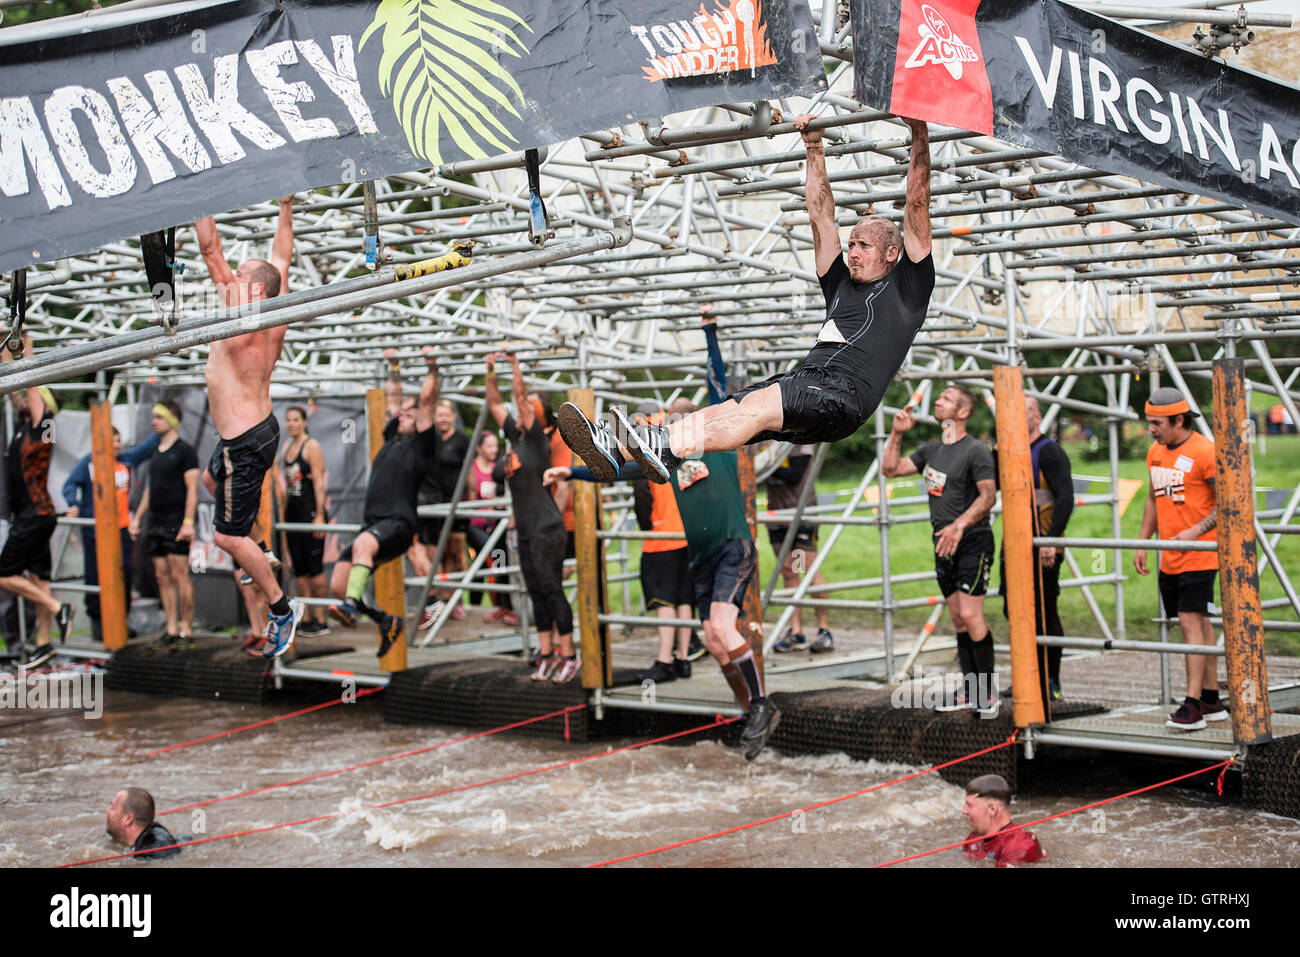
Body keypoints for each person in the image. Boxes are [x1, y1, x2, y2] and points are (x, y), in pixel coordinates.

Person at [556, 112, 933, 484]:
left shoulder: (908, 289)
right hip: (808, 381)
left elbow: (917, 206)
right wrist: (813, 146)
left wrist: (919, 133)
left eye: (863, 245)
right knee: (731, 408)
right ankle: (617, 447)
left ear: (890, 254)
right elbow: (820, 216)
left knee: (755, 407)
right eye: (851, 244)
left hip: (843, 395)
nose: (851, 252)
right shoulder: (840, 284)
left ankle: (666, 446)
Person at [546, 318, 779, 760]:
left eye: (681, 417)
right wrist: (571, 470)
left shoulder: (716, 443)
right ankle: (752, 712)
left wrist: (710, 333)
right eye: (671, 420)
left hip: (733, 545)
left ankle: (761, 706)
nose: (673, 422)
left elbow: (717, 384)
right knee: (712, 640)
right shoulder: (666, 462)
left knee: (721, 628)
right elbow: (617, 471)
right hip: (702, 555)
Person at [194, 196, 304, 658]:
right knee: (207, 480)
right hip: (251, 433)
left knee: (225, 536)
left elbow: (210, 250)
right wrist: (285, 206)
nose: (231, 278)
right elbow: (282, 258)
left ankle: (281, 609)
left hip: (242, 439)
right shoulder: (272, 310)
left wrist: (196, 193)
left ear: (253, 290)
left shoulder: (241, 307)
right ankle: (259, 548)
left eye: (241, 275)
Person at [882, 385, 998, 714]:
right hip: (942, 543)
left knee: (972, 615)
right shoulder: (931, 450)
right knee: (958, 619)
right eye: (940, 397)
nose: (937, 401)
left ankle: (987, 695)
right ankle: (969, 689)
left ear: (962, 413)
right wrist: (897, 433)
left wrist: (959, 525)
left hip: (972, 540)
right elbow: (890, 469)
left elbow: (988, 497)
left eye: (946, 398)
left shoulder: (975, 450)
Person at [327, 349, 441, 657]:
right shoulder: (393, 438)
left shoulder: (422, 445)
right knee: (339, 583)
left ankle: (351, 607)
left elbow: (428, 402)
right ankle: (385, 619)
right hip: (375, 524)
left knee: (362, 549)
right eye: (401, 412)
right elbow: (393, 401)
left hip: (398, 524)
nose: (401, 414)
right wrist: (394, 366)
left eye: (408, 412)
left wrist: (432, 367)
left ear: (420, 419)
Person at [1134, 387, 1224, 731]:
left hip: (1201, 553)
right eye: (1149, 423)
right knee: (1197, 624)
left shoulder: (1205, 451)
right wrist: (1142, 543)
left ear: (1180, 420)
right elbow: (1154, 499)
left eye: (1157, 424)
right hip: (1169, 554)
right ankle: (1212, 699)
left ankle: (1191, 706)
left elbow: (1226, 502)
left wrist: (1197, 531)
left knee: (1190, 622)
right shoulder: (1155, 453)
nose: (1151, 430)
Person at [485, 352, 579, 683]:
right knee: (535, 591)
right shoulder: (513, 437)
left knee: (552, 588)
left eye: (529, 408)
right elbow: (495, 402)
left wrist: (514, 366)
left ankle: (569, 654)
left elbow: (519, 398)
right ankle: (547, 653)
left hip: (547, 527)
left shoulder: (538, 440)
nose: (522, 410)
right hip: (525, 530)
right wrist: (490, 369)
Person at [0, 337, 74, 667]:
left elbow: (29, 383)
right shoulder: (24, 426)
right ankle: (44, 644)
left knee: (2, 575)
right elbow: (16, 386)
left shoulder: (42, 425)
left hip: (34, 513)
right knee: (38, 580)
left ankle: (60, 610)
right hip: (41, 514)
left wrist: (26, 348)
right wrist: (5, 346)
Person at [995, 396, 1074, 703]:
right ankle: (1027, 676)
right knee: (1014, 610)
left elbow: (1065, 498)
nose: (1016, 415)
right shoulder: (1010, 451)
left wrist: (1051, 541)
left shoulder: (1049, 451)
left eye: (1023, 410)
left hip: (1042, 543)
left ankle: (1050, 680)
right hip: (1012, 543)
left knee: (1045, 611)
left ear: (1036, 415)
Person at [62, 424, 160, 641]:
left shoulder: (124, 460)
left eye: (118, 440)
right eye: (112, 441)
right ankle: (98, 624)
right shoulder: (88, 463)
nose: (116, 445)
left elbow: (146, 449)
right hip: (95, 533)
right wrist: (74, 503)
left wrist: (162, 422)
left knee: (124, 574)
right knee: (95, 576)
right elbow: (69, 485)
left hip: (122, 529)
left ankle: (120, 621)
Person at [628, 400, 697, 683]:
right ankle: (683, 658)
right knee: (683, 599)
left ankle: (664, 660)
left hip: (659, 537)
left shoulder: (647, 447)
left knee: (663, 600)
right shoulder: (684, 445)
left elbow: (643, 498)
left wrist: (647, 526)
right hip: (684, 534)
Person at [129, 401, 199, 648]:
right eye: (153, 417)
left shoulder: (185, 451)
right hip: (156, 522)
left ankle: (186, 629)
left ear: (172, 419)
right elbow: (151, 489)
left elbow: (192, 489)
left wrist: (188, 523)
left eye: (158, 417)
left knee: (180, 575)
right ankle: (170, 627)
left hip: (176, 522)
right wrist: (137, 518)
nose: (154, 421)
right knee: (162, 577)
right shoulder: (155, 451)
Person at [767, 443, 835, 654]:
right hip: (777, 516)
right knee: (789, 571)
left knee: (808, 569)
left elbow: (794, 474)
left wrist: (763, 466)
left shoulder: (800, 438)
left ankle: (824, 630)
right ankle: (796, 631)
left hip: (803, 514)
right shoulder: (763, 439)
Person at [416, 398, 471, 628]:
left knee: (457, 552)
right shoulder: (433, 440)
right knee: (441, 553)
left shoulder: (462, 440)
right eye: (439, 415)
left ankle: (457, 598)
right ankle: (443, 599)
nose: (443, 420)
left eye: (447, 415)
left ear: (453, 417)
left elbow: (470, 471)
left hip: (457, 503)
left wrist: (472, 499)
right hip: (437, 502)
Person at [279, 405, 330, 636]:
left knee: (315, 568)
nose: (292, 424)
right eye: (288, 420)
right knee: (299, 569)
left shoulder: (312, 446)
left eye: (296, 420)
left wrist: (319, 514)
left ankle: (321, 618)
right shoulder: (287, 447)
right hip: (293, 514)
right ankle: (305, 617)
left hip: (311, 513)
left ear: (304, 422)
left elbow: (319, 482)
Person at [464, 429, 518, 624]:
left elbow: (504, 499)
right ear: (479, 448)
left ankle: (502, 604)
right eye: (489, 446)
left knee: (494, 563)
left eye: (496, 445)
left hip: (496, 524)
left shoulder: (499, 468)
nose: (494, 449)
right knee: (490, 556)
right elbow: (469, 497)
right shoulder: (471, 468)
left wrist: (499, 499)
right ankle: (476, 606)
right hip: (476, 525)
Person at [960, 774, 1046, 867]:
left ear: (992, 809)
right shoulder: (973, 838)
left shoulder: (1019, 846)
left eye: (969, 805)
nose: (964, 811)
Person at [105, 787, 180, 861]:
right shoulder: (153, 831)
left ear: (128, 819)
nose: (107, 810)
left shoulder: (148, 854)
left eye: (113, 808)